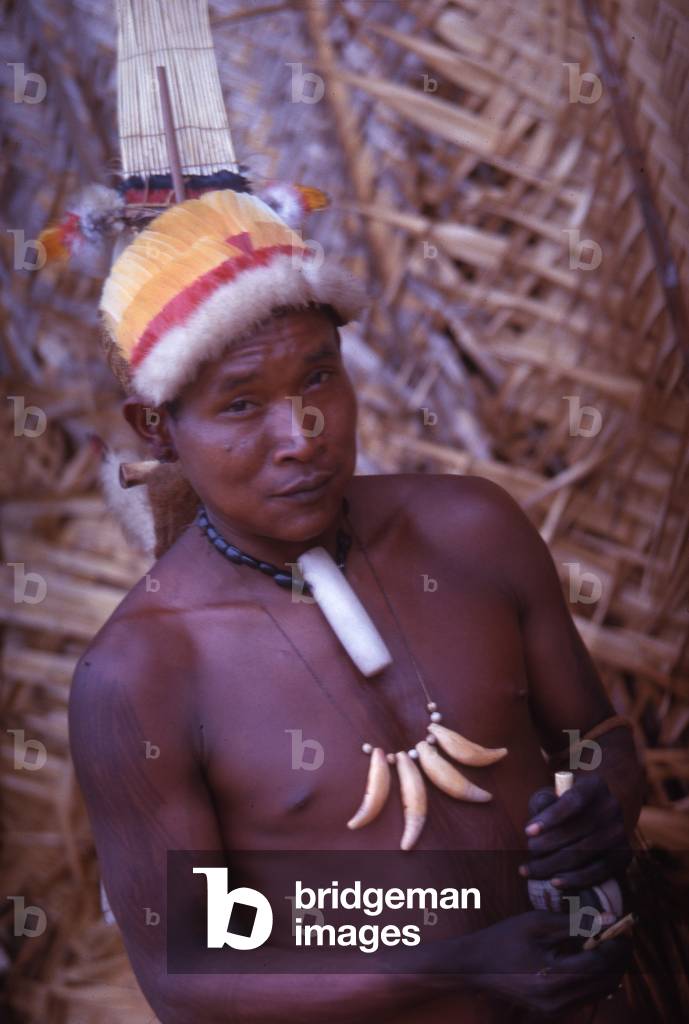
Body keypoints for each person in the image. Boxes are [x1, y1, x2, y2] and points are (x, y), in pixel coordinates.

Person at [69, 188, 644, 1023]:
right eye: (241, 404)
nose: (303, 432)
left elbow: (596, 740)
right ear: (155, 429)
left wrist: (605, 804)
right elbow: (185, 979)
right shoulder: (141, 674)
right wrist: (455, 967)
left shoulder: (471, 530)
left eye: (317, 377)